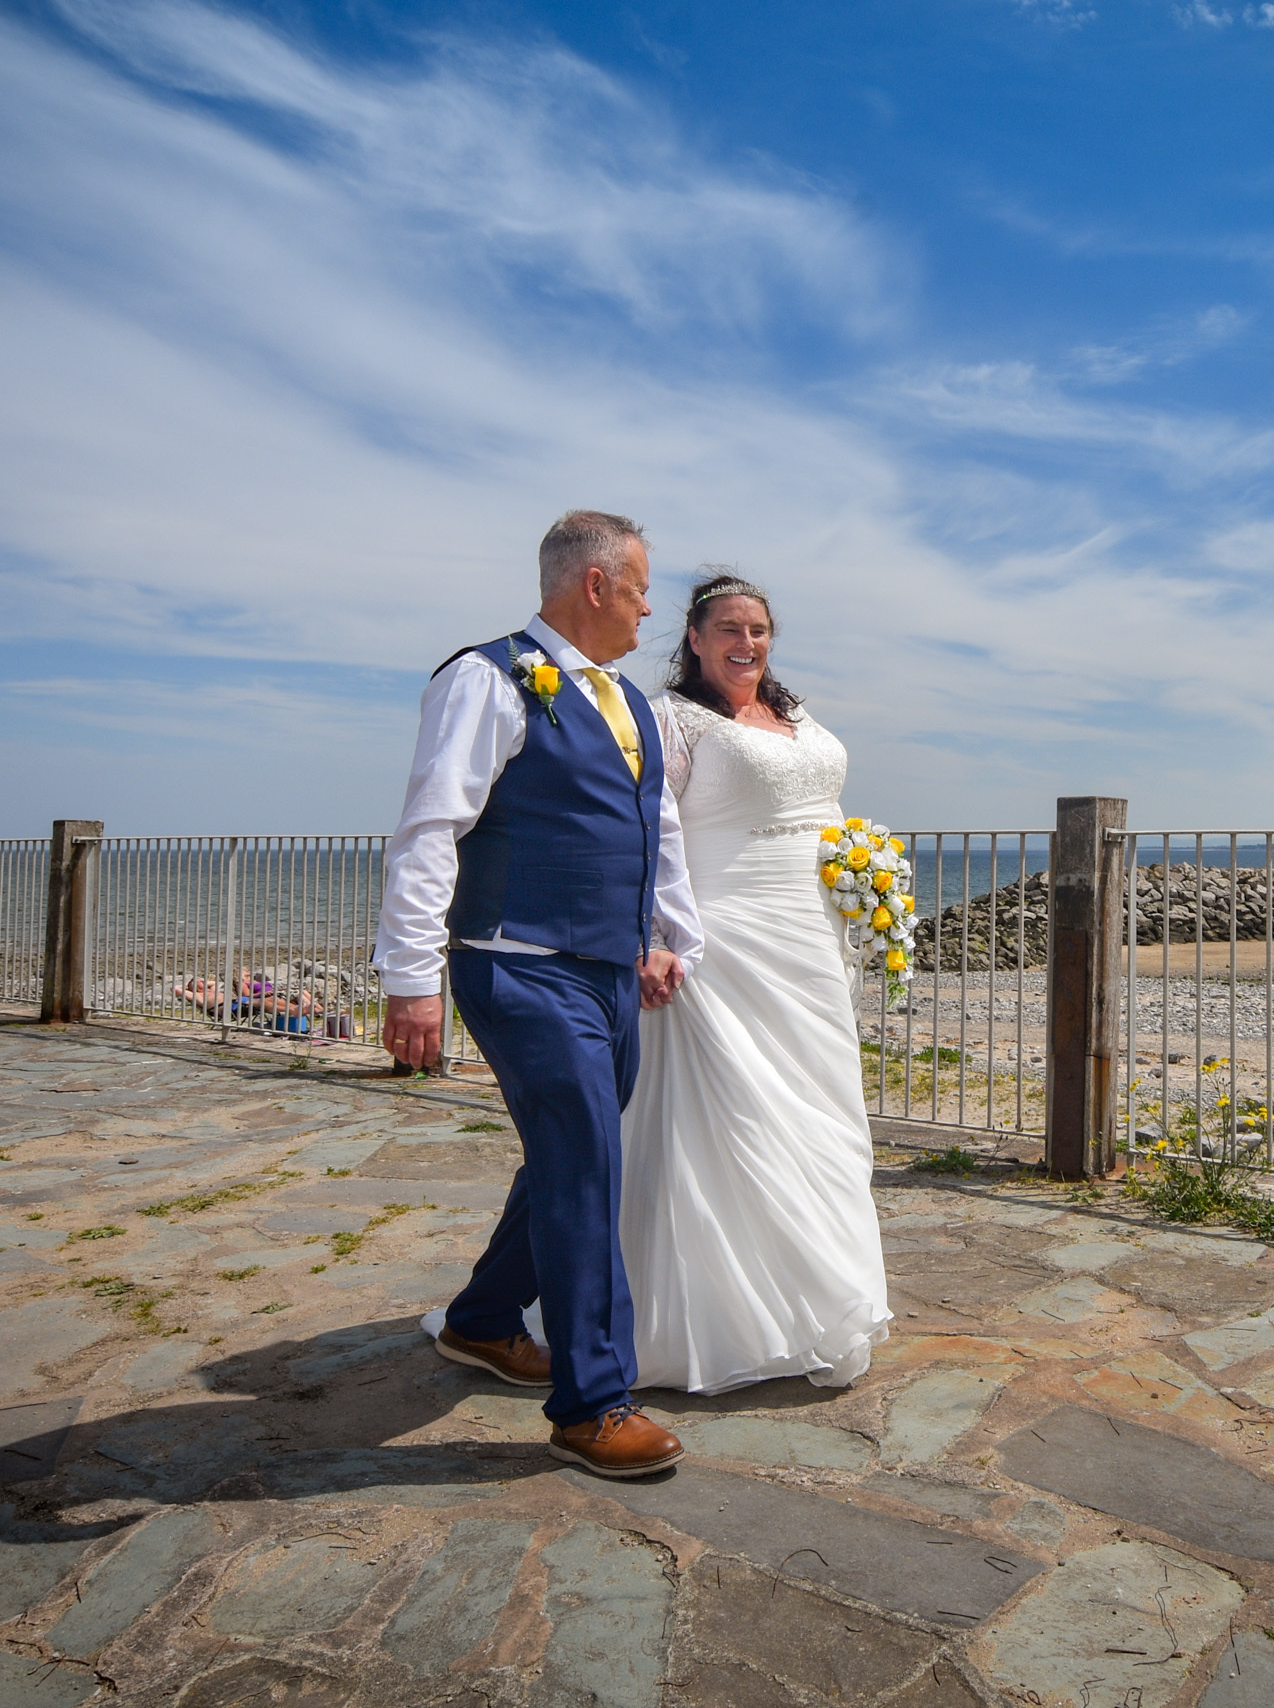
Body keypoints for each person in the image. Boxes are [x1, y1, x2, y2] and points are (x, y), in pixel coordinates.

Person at [373, 510, 704, 1479]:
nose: (652, 606)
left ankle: (480, 1322)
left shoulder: (634, 706)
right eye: (642, 587)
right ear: (594, 586)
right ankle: (593, 1404)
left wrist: (669, 936)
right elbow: (432, 826)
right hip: (517, 962)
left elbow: (659, 834)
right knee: (589, 1166)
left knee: (573, 1154)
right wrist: (410, 978)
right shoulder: (487, 679)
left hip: (607, 971)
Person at [621, 571, 892, 1393]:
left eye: (760, 630)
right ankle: (715, 1319)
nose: (747, 643)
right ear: (695, 640)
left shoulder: (798, 719)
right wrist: (658, 936)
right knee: (735, 1119)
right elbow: (648, 829)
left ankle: (818, 1305)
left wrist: (861, 871)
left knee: (822, 1112)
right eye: (729, 630)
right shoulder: (673, 720)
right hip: (721, 939)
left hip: (810, 942)